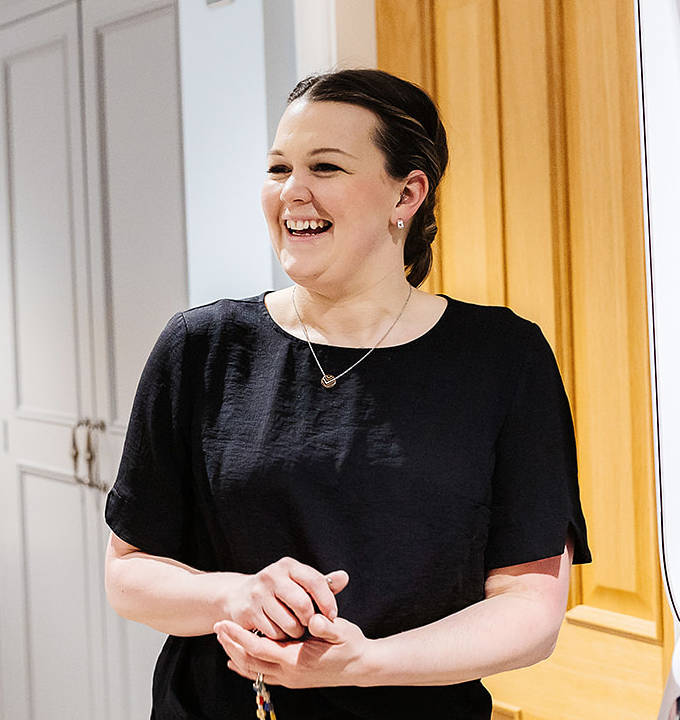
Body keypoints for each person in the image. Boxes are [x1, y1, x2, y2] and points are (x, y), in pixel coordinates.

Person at [104, 68, 592, 720]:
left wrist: (366, 664)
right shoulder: (200, 345)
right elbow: (129, 572)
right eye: (279, 168)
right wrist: (235, 595)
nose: (292, 191)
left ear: (407, 194)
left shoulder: (505, 357)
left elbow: (531, 609)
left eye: (326, 167)